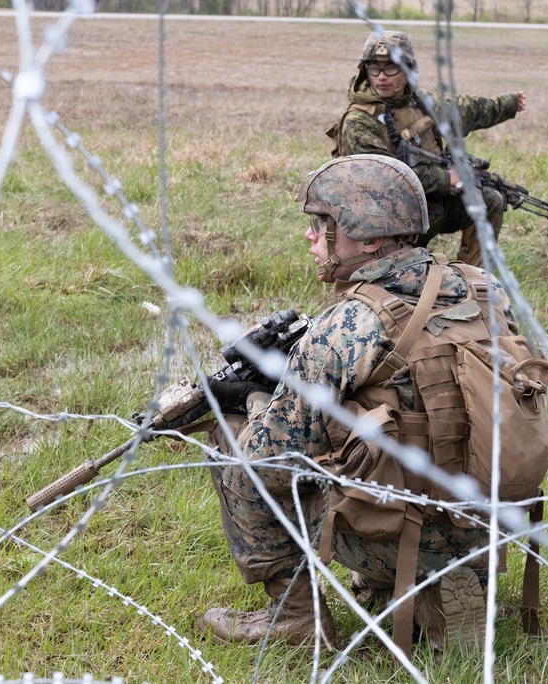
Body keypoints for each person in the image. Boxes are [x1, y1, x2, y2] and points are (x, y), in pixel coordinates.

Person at [195, 154, 524, 654]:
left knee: (232, 438)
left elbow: (270, 461)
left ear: (369, 240)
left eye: (322, 225)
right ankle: (423, 586)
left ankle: (296, 616)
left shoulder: (347, 325)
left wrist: (257, 398)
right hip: (488, 524)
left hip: (395, 527)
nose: (310, 236)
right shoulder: (484, 289)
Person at [332, 31, 527, 268]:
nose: (381, 76)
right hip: (385, 214)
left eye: (391, 68)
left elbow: (469, 109)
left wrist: (508, 104)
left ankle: (472, 282)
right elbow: (384, 179)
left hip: (429, 201)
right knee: (417, 230)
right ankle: (394, 279)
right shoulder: (358, 120)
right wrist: (447, 178)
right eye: (374, 68)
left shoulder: (424, 103)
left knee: (488, 201)